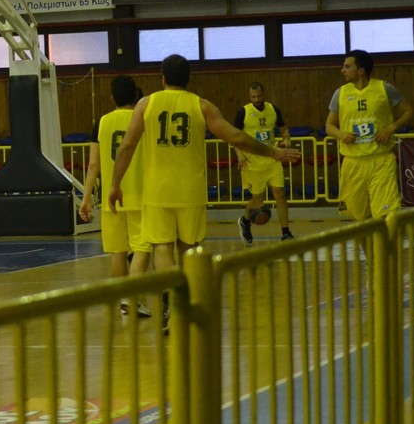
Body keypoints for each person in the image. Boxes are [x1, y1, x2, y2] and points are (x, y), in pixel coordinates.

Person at [108, 55, 301, 328]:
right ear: (188, 79)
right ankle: (184, 304)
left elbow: (127, 146)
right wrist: (272, 152)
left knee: (161, 247)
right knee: (189, 248)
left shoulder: (145, 104)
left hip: (157, 191)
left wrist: (115, 184)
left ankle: (170, 302)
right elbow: (235, 136)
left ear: (162, 79)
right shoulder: (202, 105)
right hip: (191, 190)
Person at [79, 76, 151, 316]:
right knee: (142, 248)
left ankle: (124, 299)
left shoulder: (101, 122)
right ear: (136, 96)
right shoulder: (143, 118)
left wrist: (86, 198)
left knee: (118, 251)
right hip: (140, 194)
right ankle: (133, 298)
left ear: (112, 98)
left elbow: (93, 165)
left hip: (111, 199)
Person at [325, 50, 413, 222]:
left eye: (347, 67)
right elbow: (329, 126)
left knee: (386, 215)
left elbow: (408, 111)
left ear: (361, 71)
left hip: (381, 159)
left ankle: (386, 241)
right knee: (360, 218)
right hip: (353, 161)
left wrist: (391, 128)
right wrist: (341, 134)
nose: (342, 70)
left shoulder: (384, 88)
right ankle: (370, 242)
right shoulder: (340, 93)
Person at [233, 82, 294, 243]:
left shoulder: (273, 109)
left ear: (263, 94)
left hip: (272, 158)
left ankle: (286, 232)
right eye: (253, 97)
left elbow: (284, 128)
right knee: (257, 201)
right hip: (252, 162)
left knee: (280, 193)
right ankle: (245, 221)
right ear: (249, 97)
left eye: (259, 96)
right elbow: (234, 136)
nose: (257, 99)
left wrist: (286, 139)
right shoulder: (243, 112)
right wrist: (239, 155)